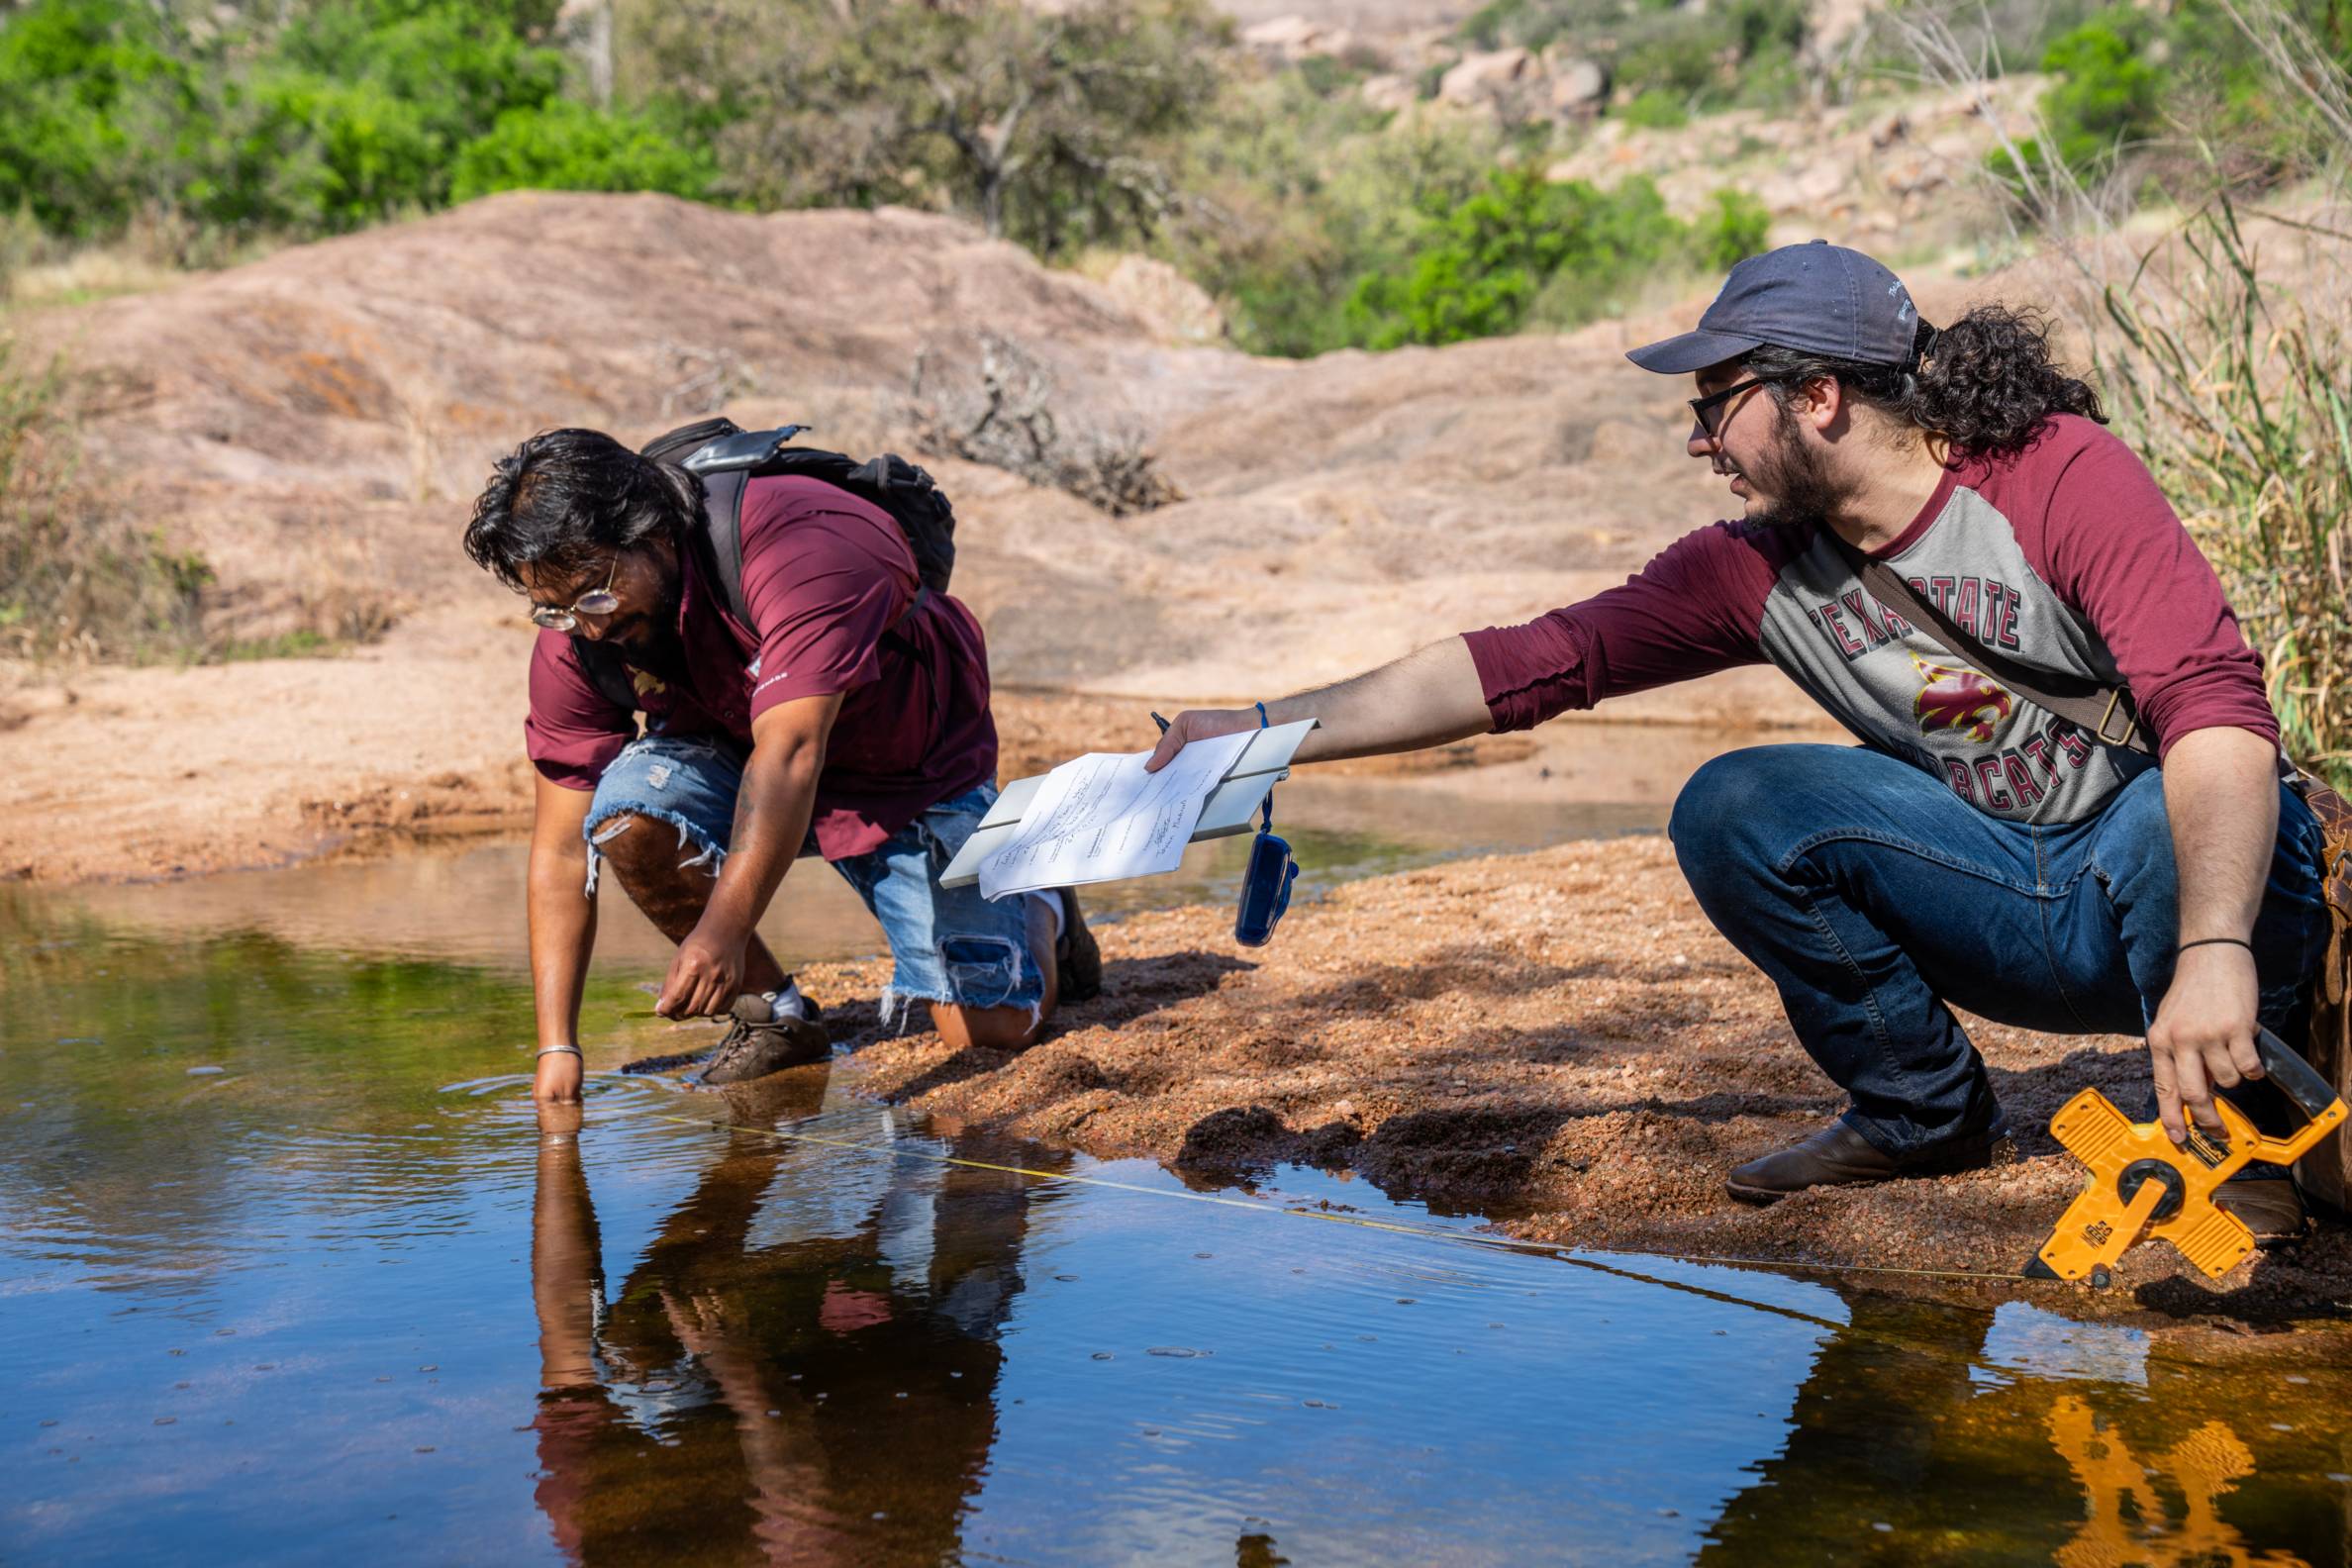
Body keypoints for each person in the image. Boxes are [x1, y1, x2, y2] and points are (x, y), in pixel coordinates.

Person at [1148, 242, 2329, 1234]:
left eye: (1715, 404)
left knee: (2187, 799)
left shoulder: (2051, 474)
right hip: (2015, 899)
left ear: (1817, 396)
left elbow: (2217, 707)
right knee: (1734, 805)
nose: (1700, 439)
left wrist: (2216, 947)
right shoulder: (1747, 573)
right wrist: (1256, 731)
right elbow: (1521, 665)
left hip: (2173, 892)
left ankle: (2253, 1133)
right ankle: (1923, 1115)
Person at [463, 428, 1098, 1103]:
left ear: (651, 535)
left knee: (990, 1032)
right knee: (625, 813)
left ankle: (1041, 902)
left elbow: (792, 753)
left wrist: (720, 934)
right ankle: (775, 1013)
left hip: (903, 765)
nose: (585, 627)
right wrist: (557, 1044)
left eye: (595, 595)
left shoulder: (801, 541)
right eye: (555, 608)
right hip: (740, 751)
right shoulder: (582, 629)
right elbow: (564, 846)